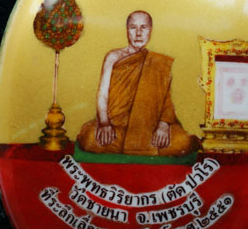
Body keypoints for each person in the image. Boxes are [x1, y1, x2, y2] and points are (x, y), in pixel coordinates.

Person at [77, 11, 200, 156]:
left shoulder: (159, 63)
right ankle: (139, 147)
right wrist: (104, 123)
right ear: (127, 30)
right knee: (90, 138)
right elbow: (102, 94)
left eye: (144, 27)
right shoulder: (113, 57)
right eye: (133, 27)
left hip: (148, 128)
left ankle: (135, 145)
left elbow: (166, 100)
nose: (138, 33)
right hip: (116, 128)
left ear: (150, 31)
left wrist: (163, 125)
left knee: (182, 142)